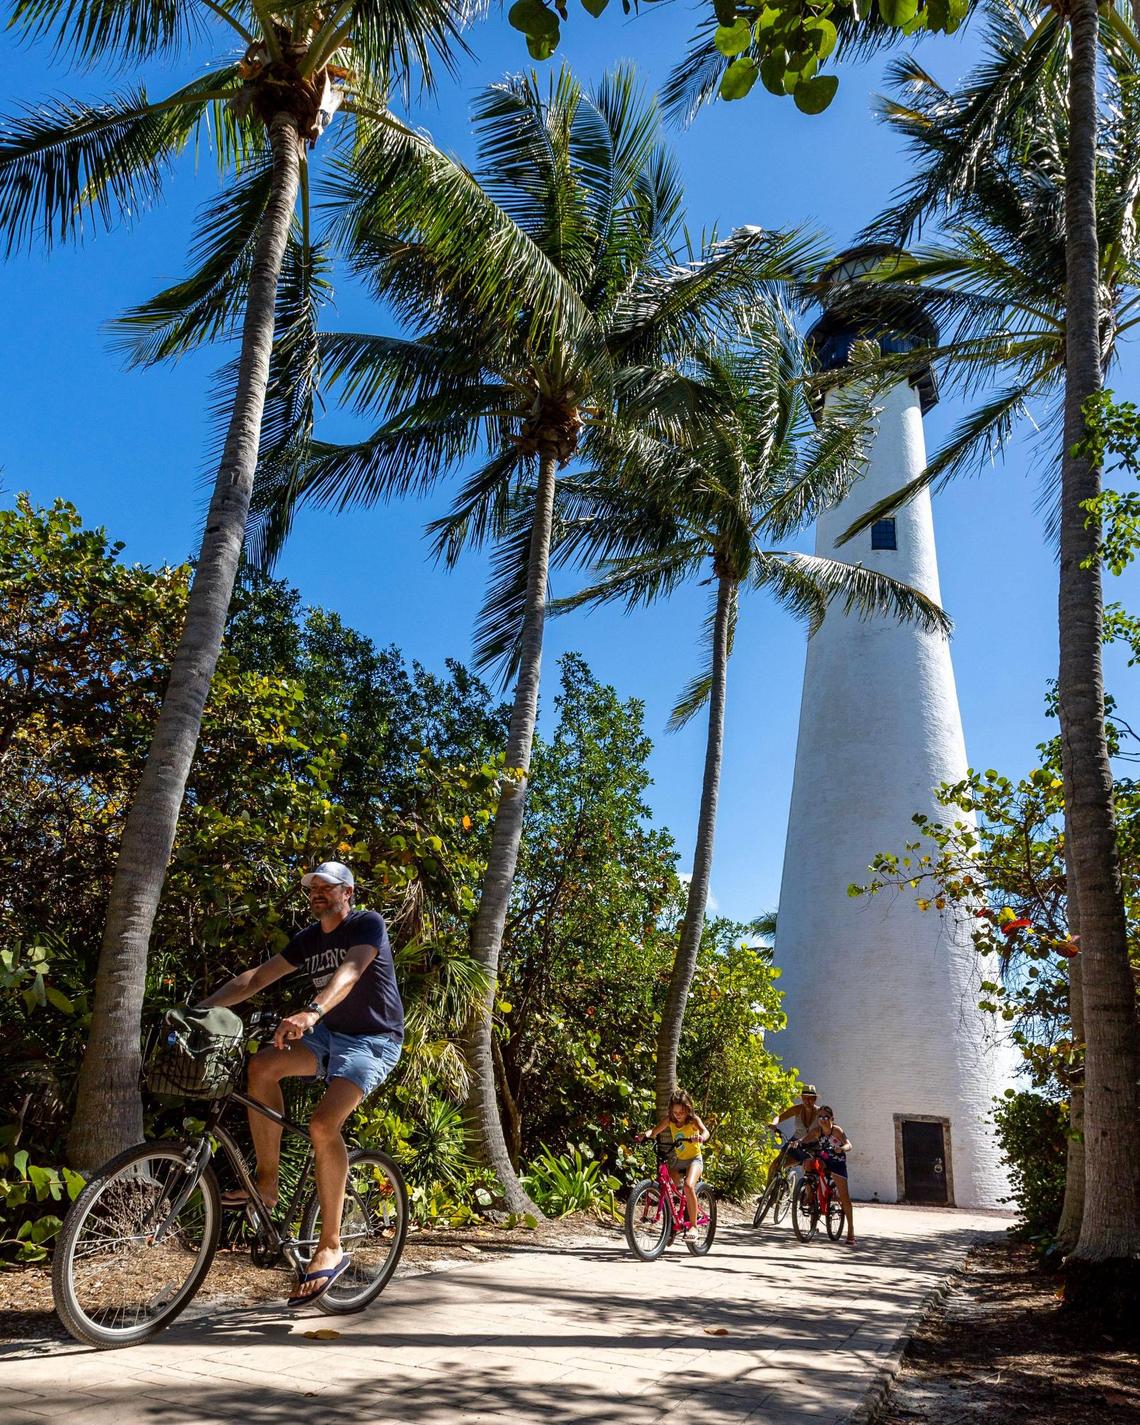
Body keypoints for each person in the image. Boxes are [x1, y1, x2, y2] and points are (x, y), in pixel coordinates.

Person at [199, 860, 404, 1304]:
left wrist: (312, 1010)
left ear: (347, 892)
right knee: (261, 1067)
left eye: (326, 887)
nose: (317, 893)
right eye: (312, 887)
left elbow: (349, 972)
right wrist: (199, 1010)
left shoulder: (367, 924)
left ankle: (330, 1245)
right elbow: (255, 979)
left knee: (322, 1125)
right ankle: (267, 1185)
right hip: (330, 1035)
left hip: (373, 1040)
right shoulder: (308, 939)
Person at [649, 1089, 709, 1232]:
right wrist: (643, 1136)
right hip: (679, 1160)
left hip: (694, 1160)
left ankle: (693, 1227)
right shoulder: (670, 1120)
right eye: (675, 1112)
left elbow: (705, 1132)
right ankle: (672, 1223)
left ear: (688, 1109)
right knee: (668, 1187)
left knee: (688, 1186)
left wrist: (701, 1138)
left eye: (681, 1112)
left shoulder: (693, 1120)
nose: (678, 1115)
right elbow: (654, 1131)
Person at [807, 1106, 856, 1246]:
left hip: (837, 1163)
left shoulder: (837, 1131)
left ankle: (851, 1230)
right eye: (820, 1117)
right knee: (808, 1165)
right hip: (823, 1161)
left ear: (832, 1119)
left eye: (826, 1117)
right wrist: (796, 1143)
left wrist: (841, 1148)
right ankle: (810, 1199)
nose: (822, 1120)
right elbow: (805, 1139)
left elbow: (849, 1144)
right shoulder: (817, 1131)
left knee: (844, 1197)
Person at [767, 1083, 822, 1177]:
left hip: (812, 1147)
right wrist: (774, 1123)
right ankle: (768, 1190)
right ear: (801, 1098)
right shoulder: (797, 1109)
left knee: (808, 1174)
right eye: (805, 1098)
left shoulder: (820, 1112)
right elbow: (779, 1117)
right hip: (795, 1143)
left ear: (815, 1099)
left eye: (810, 1098)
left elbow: (829, 1126)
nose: (807, 1101)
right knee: (775, 1166)